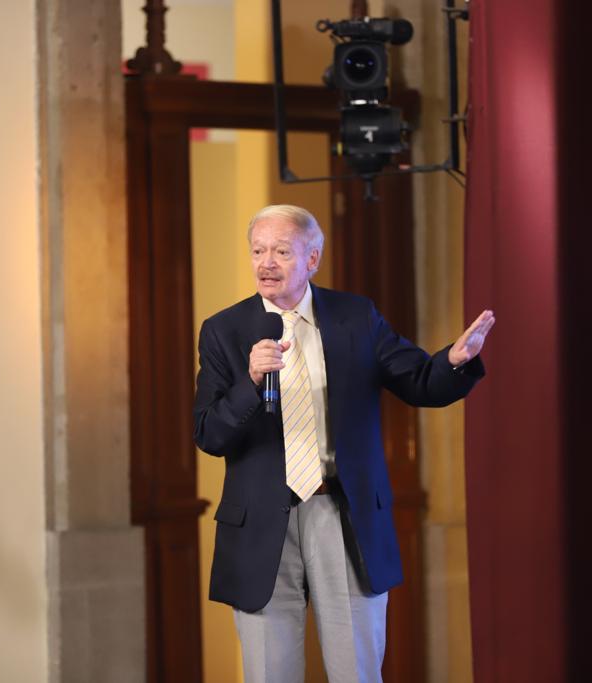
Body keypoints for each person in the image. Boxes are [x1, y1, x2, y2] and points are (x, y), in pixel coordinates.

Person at [193, 204, 494, 682]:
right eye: (258, 251)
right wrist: (250, 382)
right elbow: (209, 433)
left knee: (357, 672)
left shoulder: (355, 316)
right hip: (260, 524)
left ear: (312, 259)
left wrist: (455, 361)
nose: (266, 263)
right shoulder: (223, 330)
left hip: (342, 514)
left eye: (281, 252)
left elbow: (418, 381)